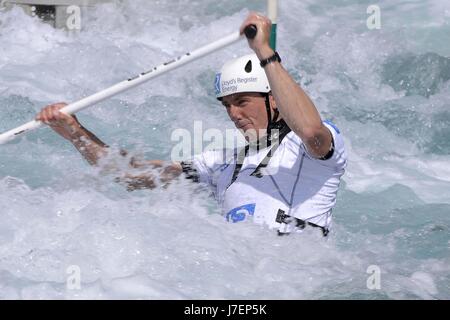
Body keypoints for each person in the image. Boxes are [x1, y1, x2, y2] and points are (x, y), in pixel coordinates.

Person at [36, 13, 347, 236]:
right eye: (227, 106)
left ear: (274, 100)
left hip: (298, 277)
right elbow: (132, 176)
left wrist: (263, 50)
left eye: (242, 102)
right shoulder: (220, 162)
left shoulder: (314, 149)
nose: (234, 114)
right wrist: (75, 134)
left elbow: (309, 129)